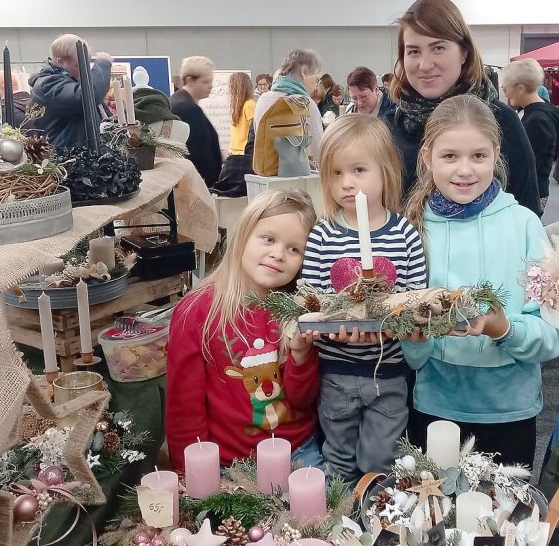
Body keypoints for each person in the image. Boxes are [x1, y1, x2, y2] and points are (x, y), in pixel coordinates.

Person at [401, 95, 559, 466]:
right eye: (450, 156)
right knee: (435, 516)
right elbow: (409, 343)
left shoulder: (524, 226)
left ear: (495, 154)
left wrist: (504, 328)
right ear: (427, 157)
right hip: (435, 408)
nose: (464, 170)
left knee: (503, 520)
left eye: (478, 156)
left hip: (510, 411)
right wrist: (415, 340)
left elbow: (554, 332)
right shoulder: (412, 229)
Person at [300, 114, 427, 480]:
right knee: (337, 459)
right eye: (336, 173)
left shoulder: (404, 234)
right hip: (337, 371)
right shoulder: (323, 236)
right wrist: (330, 327)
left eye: (358, 170)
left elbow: (415, 301)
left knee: (380, 461)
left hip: (388, 373)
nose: (347, 183)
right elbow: (313, 302)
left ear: (385, 171)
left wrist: (393, 325)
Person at [166, 189, 323, 472]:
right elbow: (184, 407)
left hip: (297, 450)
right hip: (229, 462)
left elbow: (303, 400)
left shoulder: (298, 309)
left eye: (294, 249)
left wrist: (301, 356)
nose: (278, 254)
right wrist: (188, 473)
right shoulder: (197, 311)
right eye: (269, 239)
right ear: (242, 236)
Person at [386, 0, 541, 216]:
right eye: (413, 51)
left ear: (464, 52)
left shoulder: (502, 120)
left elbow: (527, 210)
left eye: (438, 48)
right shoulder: (390, 128)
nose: (425, 64)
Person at [29, 34, 112, 150]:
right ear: (61, 62)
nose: (86, 70)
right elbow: (87, 97)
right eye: (79, 65)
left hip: (81, 156)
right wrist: (103, 65)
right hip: (68, 159)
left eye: (88, 64)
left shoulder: (69, 83)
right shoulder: (48, 85)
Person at [501, 59, 559, 211]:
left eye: (505, 89)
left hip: (530, 193)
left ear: (520, 88)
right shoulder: (531, 114)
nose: (506, 94)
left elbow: (531, 163)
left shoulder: (537, 120)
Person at [254, 49, 325, 163]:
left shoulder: (262, 100)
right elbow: (319, 151)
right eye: (316, 79)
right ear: (304, 72)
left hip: (265, 171)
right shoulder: (305, 104)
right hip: (295, 175)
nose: (315, 86)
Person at [170, 56, 222, 187]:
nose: (210, 86)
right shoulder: (187, 109)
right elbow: (198, 151)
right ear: (189, 80)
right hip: (193, 185)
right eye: (205, 82)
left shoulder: (179, 102)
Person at [212, 72, 256, 196]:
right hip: (236, 156)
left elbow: (254, 130)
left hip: (244, 158)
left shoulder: (249, 105)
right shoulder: (241, 106)